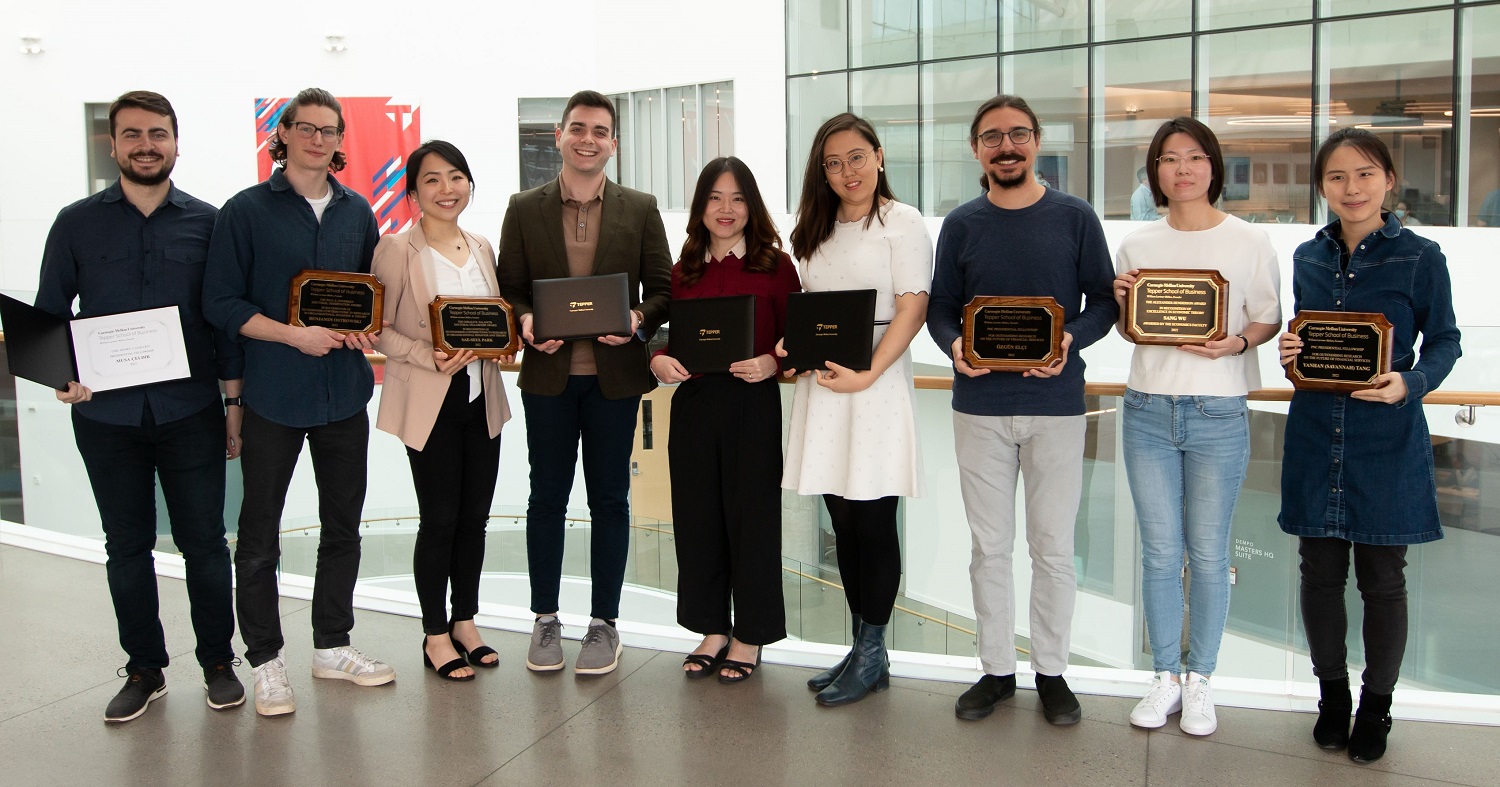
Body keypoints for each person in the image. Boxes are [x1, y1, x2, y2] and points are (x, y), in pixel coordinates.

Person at [35, 90, 245, 723]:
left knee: (205, 543)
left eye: (157, 133)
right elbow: (49, 316)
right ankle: (145, 668)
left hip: (190, 412)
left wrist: (233, 402)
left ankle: (217, 662)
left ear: (176, 143)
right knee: (125, 546)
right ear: (114, 145)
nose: (146, 145)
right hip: (105, 417)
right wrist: (60, 376)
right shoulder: (75, 223)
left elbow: (225, 322)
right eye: (132, 135)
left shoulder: (210, 223)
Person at [926, 95, 1118, 726]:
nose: (1005, 147)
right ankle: (996, 670)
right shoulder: (961, 224)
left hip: (1057, 405)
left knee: (1054, 549)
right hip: (979, 405)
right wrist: (956, 346)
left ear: (1035, 141)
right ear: (976, 149)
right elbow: (941, 307)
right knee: (989, 548)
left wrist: (1069, 340)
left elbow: (1102, 305)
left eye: (1017, 135)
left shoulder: (1076, 216)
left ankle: (1053, 673)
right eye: (991, 138)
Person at [204, 87, 392, 717]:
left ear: (341, 141)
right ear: (280, 135)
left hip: (343, 393)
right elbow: (222, 305)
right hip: (273, 395)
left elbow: (368, 297)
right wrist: (292, 335)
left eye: (328, 130)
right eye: (304, 127)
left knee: (344, 527)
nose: (317, 138)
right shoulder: (245, 211)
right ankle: (265, 661)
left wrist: (368, 329)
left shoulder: (358, 212)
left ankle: (332, 646)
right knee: (259, 535)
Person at [1278, 128, 1461, 764]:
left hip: (1386, 436)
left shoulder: (1420, 256)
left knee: (1383, 580)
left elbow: (1445, 342)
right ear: (1322, 186)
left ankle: (1376, 707)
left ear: (1387, 179)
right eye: (1336, 177)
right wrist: (1291, 354)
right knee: (1319, 575)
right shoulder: (1306, 256)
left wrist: (1410, 382)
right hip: (1313, 431)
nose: (1350, 188)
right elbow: (1310, 343)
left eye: (1363, 174)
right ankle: (1331, 698)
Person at [1111, 117, 1282, 735]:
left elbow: (1266, 317)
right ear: (1155, 172)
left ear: (1213, 167)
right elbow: (1133, 330)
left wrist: (1237, 342)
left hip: (1218, 411)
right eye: (1168, 159)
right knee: (1160, 554)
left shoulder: (1249, 241)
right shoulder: (1137, 245)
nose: (1181, 169)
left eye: (1194, 157)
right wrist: (1127, 306)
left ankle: (1201, 679)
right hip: (1147, 409)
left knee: (1208, 554)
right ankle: (1164, 678)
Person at [496, 90, 672, 676]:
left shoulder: (641, 207)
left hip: (614, 382)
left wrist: (638, 320)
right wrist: (523, 320)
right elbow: (511, 286)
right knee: (545, 499)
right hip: (547, 378)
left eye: (600, 130)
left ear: (613, 143)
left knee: (610, 502)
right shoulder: (523, 207)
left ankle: (604, 623)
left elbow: (663, 289)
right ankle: (544, 619)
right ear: (560, 137)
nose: (588, 138)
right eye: (578, 128)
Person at [780, 113, 932, 708]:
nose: (847, 171)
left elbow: (912, 308)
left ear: (879, 156)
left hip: (876, 385)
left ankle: (873, 649)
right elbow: (809, 308)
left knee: (873, 520)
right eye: (834, 162)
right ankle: (862, 645)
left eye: (856, 157)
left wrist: (869, 373)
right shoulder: (812, 229)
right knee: (840, 520)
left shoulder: (904, 223)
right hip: (825, 385)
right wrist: (794, 350)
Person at [650, 157, 801, 683]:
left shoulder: (775, 265)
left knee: (753, 520)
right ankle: (711, 627)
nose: (726, 209)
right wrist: (657, 359)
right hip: (693, 406)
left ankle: (749, 634)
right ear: (701, 206)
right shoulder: (685, 265)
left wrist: (774, 362)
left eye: (737, 198)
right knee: (697, 519)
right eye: (715, 197)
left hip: (751, 405)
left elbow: (799, 335)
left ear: (751, 206)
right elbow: (667, 335)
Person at [373, 141, 511, 682]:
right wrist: (422, 354)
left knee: (474, 520)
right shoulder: (396, 249)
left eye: (456, 177)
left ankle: (466, 622)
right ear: (413, 194)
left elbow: (492, 319)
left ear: (469, 186)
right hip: (429, 401)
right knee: (439, 520)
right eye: (432, 180)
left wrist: (501, 344)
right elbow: (377, 327)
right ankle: (435, 633)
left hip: (481, 398)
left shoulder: (480, 246)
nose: (446, 189)